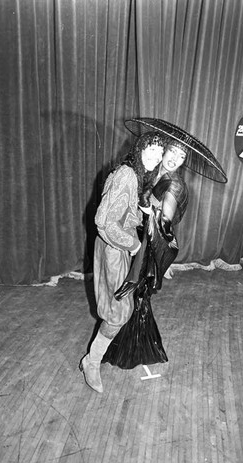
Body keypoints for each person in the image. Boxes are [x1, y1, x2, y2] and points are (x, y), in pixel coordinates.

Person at [79, 131, 166, 393]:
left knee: (120, 309)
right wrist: (134, 244)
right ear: (139, 150)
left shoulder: (137, 174)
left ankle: (97, 356)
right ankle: (91, 362)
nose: (155, 157)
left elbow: (132, 202)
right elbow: (103, 222)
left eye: (159, 153)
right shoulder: (127, 175)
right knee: (117, 314)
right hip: (113, 250)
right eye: (150, 150)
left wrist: (150, 206)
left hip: (119, 248)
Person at [102, 139, 189, 369]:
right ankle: (124, 343)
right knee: (130, 296)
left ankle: (133, 349)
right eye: (172, 152)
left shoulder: (174, 184)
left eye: (182, 156)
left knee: (138, 295)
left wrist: (150, 211)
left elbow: (166, 226)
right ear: (164, 151)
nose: (174, 159)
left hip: (148, 244)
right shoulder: (151, 171)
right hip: (134, 237)